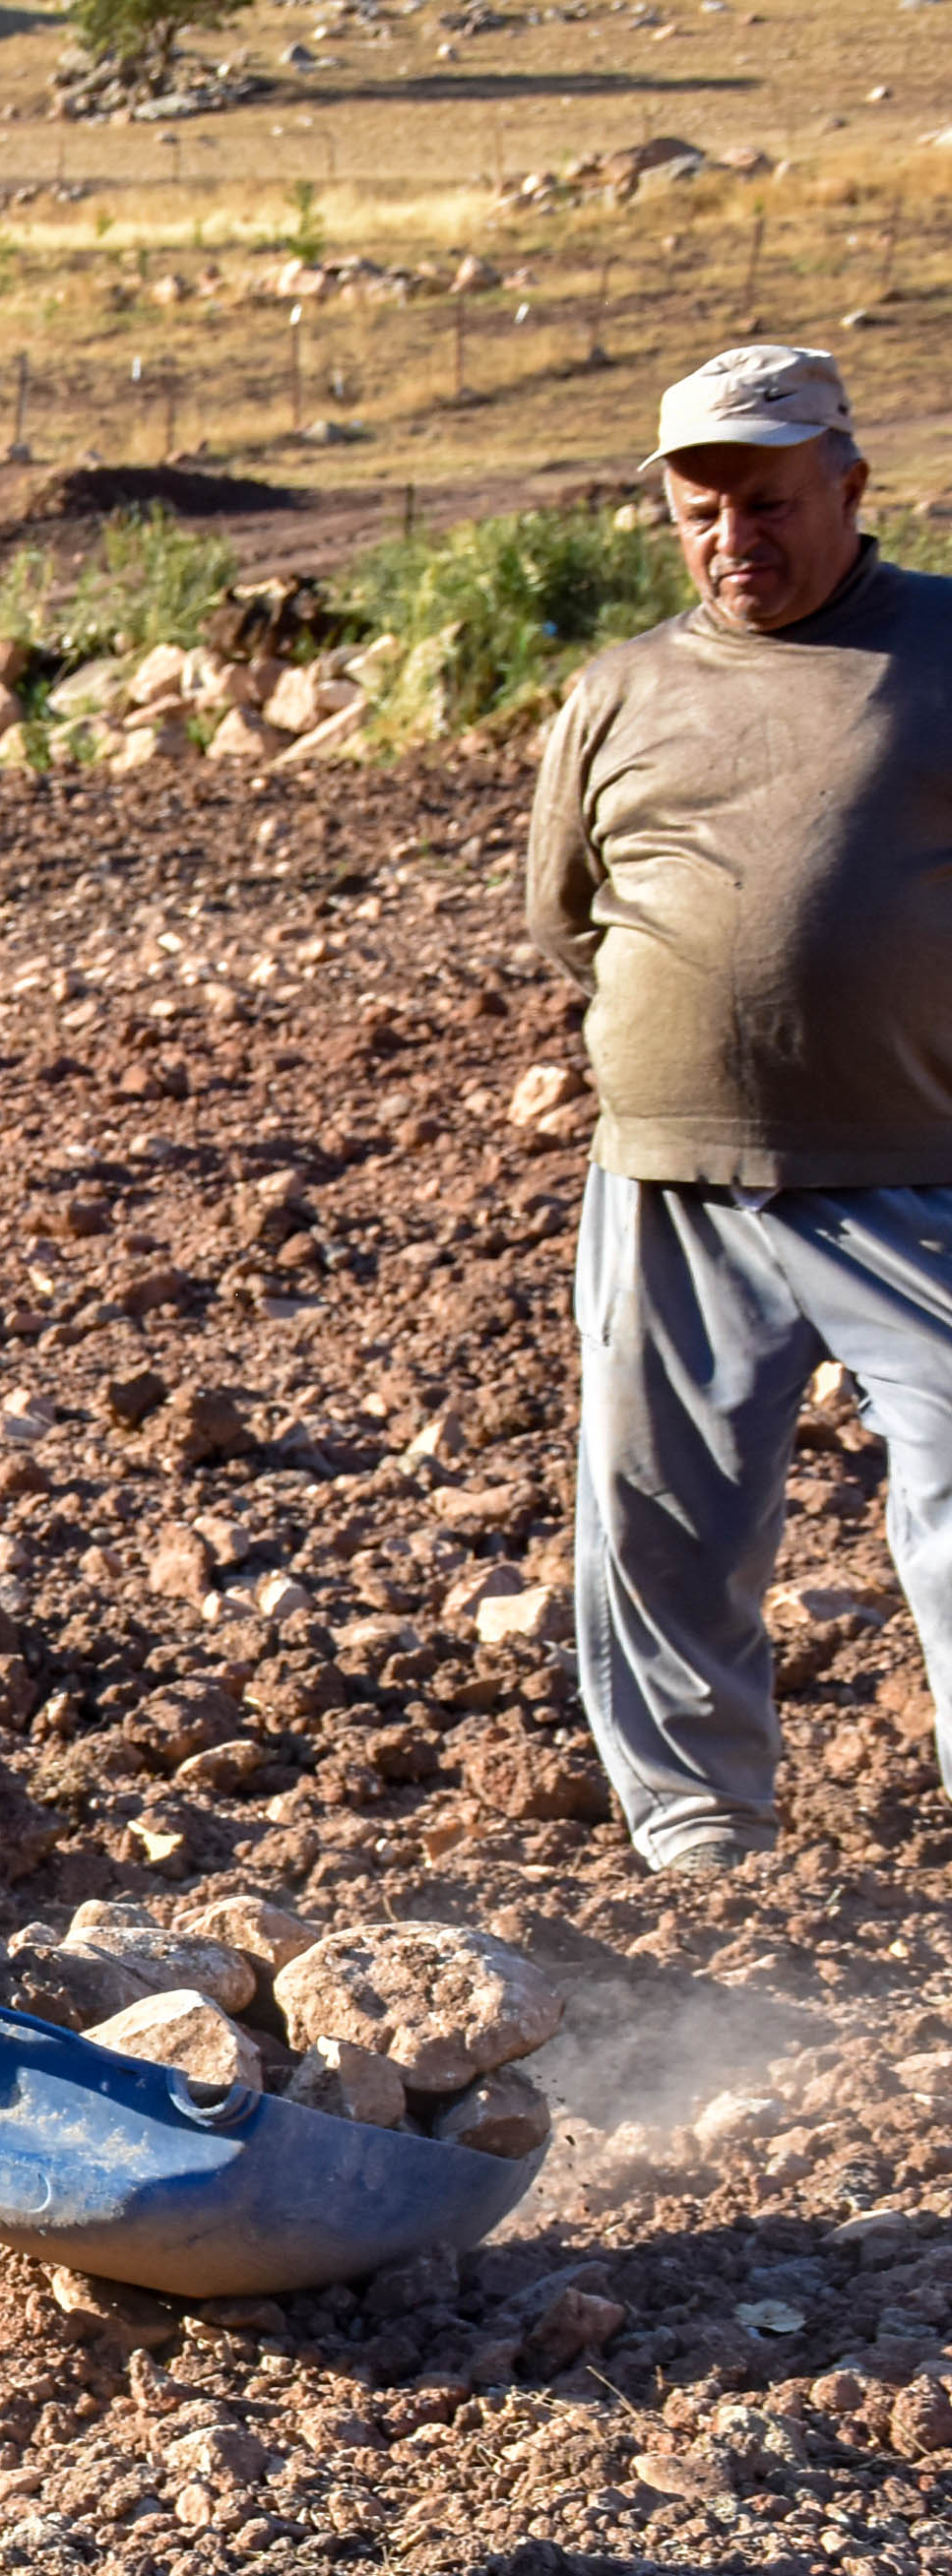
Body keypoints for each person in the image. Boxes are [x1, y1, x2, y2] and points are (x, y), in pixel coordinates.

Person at [529, 345, 952, 1872]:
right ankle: (701, 1829)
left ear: (851, 484)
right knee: (660, 1523)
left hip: (917, 1171)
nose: (732, 542)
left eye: (767, 504)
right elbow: (569, 917)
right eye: (699, 516)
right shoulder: (622, 689)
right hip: (671, 1177)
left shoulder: (945, 648)